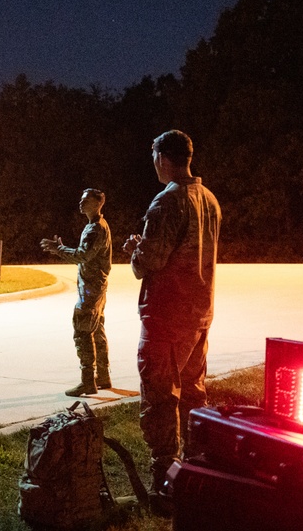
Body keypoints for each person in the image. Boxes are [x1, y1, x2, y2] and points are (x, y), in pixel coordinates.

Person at [122, 130, 221, 507]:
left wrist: (137, 253)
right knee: (193, 395)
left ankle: (165, 483)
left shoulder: (167, 202)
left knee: (160, 400)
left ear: (164, 158)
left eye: (154, 157)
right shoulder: (209, 199)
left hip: (166, 316)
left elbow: (149, 262)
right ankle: (197, 471)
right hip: (199, 313)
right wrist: (145, 247)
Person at [40, 189, 113, 397]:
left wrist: (59, 250)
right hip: (96, 285)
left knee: (82, 332)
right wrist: (63, 248)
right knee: (97, 329)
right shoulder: (98, 225)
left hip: (91, 288)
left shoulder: (95, 228)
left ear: (98, 203)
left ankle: (88, 381)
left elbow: (83, 255)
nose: (80, 203)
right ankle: (103, 376)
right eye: (81, 199)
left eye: (85, 200)